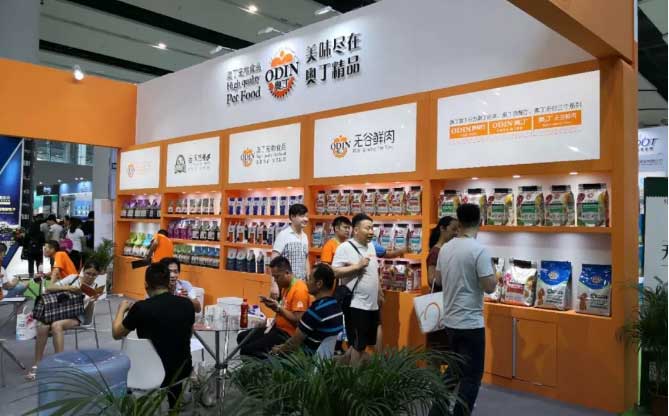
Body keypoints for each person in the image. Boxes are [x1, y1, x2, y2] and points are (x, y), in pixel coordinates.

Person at [430, 204, 496, 416]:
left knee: (453, 370)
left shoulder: (446, 248)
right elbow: (490, 286)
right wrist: (494, 273)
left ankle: (436, 412)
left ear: (459, 221)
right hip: (471, 323)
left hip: (450, 320)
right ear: (480, 221)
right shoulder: (479, 250)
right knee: (471, 377)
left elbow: (438, 280)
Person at [112, 263, 195, 410]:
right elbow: (188, 333)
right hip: (182, 370)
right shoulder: (187, 304)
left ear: (146, 285)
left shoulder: (141, 308)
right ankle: (174, 407)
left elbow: (117, 333)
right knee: (173, 352)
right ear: (169, 283)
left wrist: (121, 309)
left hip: (149, 371)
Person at [27, 259, 103, 381]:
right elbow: (50, 287)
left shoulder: (96, 288)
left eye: (94, 275)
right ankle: (37, 364)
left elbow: (87, 316)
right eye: (88, 273)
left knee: (56, 325)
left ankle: (60, 365)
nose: (90, 277)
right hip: (59, 311)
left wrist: (91, 303)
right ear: (83, 271)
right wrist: (69, 288)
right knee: (42, 326)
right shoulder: (73, 278)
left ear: (98, 275)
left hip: (78, 315)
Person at [237, 256, 310, 359]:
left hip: (287, 334)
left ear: (287, 273)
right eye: (274, 277)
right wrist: (273, 307)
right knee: (242, 337)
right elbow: (283, 310)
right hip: (276, 328)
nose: (275, 280)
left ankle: (264, 365)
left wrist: (278, 308)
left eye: (277, 277)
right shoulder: (285, 287)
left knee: (247, 350)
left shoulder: (299, 290)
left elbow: (298, 321)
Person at [332, 213, 379, 365]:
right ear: (356, 230)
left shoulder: (371, 246)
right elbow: (334, 272)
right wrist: (357, 266)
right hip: (356, 304)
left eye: (372, 228)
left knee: (360, 344)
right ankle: (353, 377)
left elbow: (373, 271)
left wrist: (379, 293)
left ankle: (338, 368)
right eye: (367, 228)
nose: (371, 231)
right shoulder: (345, 247)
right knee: (359, 346)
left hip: (372, 304)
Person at [272, 263, 344, 356]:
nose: (306, 282)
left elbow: (293, 344)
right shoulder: (336, 306)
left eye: (309, 279)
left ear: (319, 284)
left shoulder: (315, 311)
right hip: (326, 359)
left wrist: (278, 350)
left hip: (306, 360)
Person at [270, 203, 309, 299]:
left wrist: (308, 279)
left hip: (301, 285)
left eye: (306, 216)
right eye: (302, 216)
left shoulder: (305, 236)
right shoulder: (283, 235)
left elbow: (306, 259)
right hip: (285, 285)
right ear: (292, 217)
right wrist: (274, 285)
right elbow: (274, 260)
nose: (306, 219)